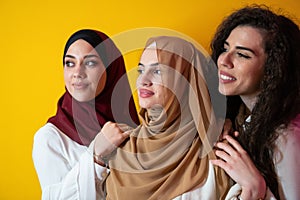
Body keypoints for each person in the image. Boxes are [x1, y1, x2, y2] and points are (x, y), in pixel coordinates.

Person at [93, 36, 229, 199]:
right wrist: (95, 156)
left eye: (157, 71)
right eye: (141, 70)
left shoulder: (217, 150)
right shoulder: (118, 146)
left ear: (186, 81)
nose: (143, 81)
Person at [32, 29, 139, 199]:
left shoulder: (133, 129)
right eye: (70, 63)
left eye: (90, 63)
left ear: (112, 69)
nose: (77, 73)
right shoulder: (50, 139)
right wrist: (96, 155)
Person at [210, 5, 300, 199]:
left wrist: (256, 187)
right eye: (226, 48)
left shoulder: (286, 137)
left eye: (242, 54)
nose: (224, 60)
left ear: (273, 69)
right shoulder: (240, 119)